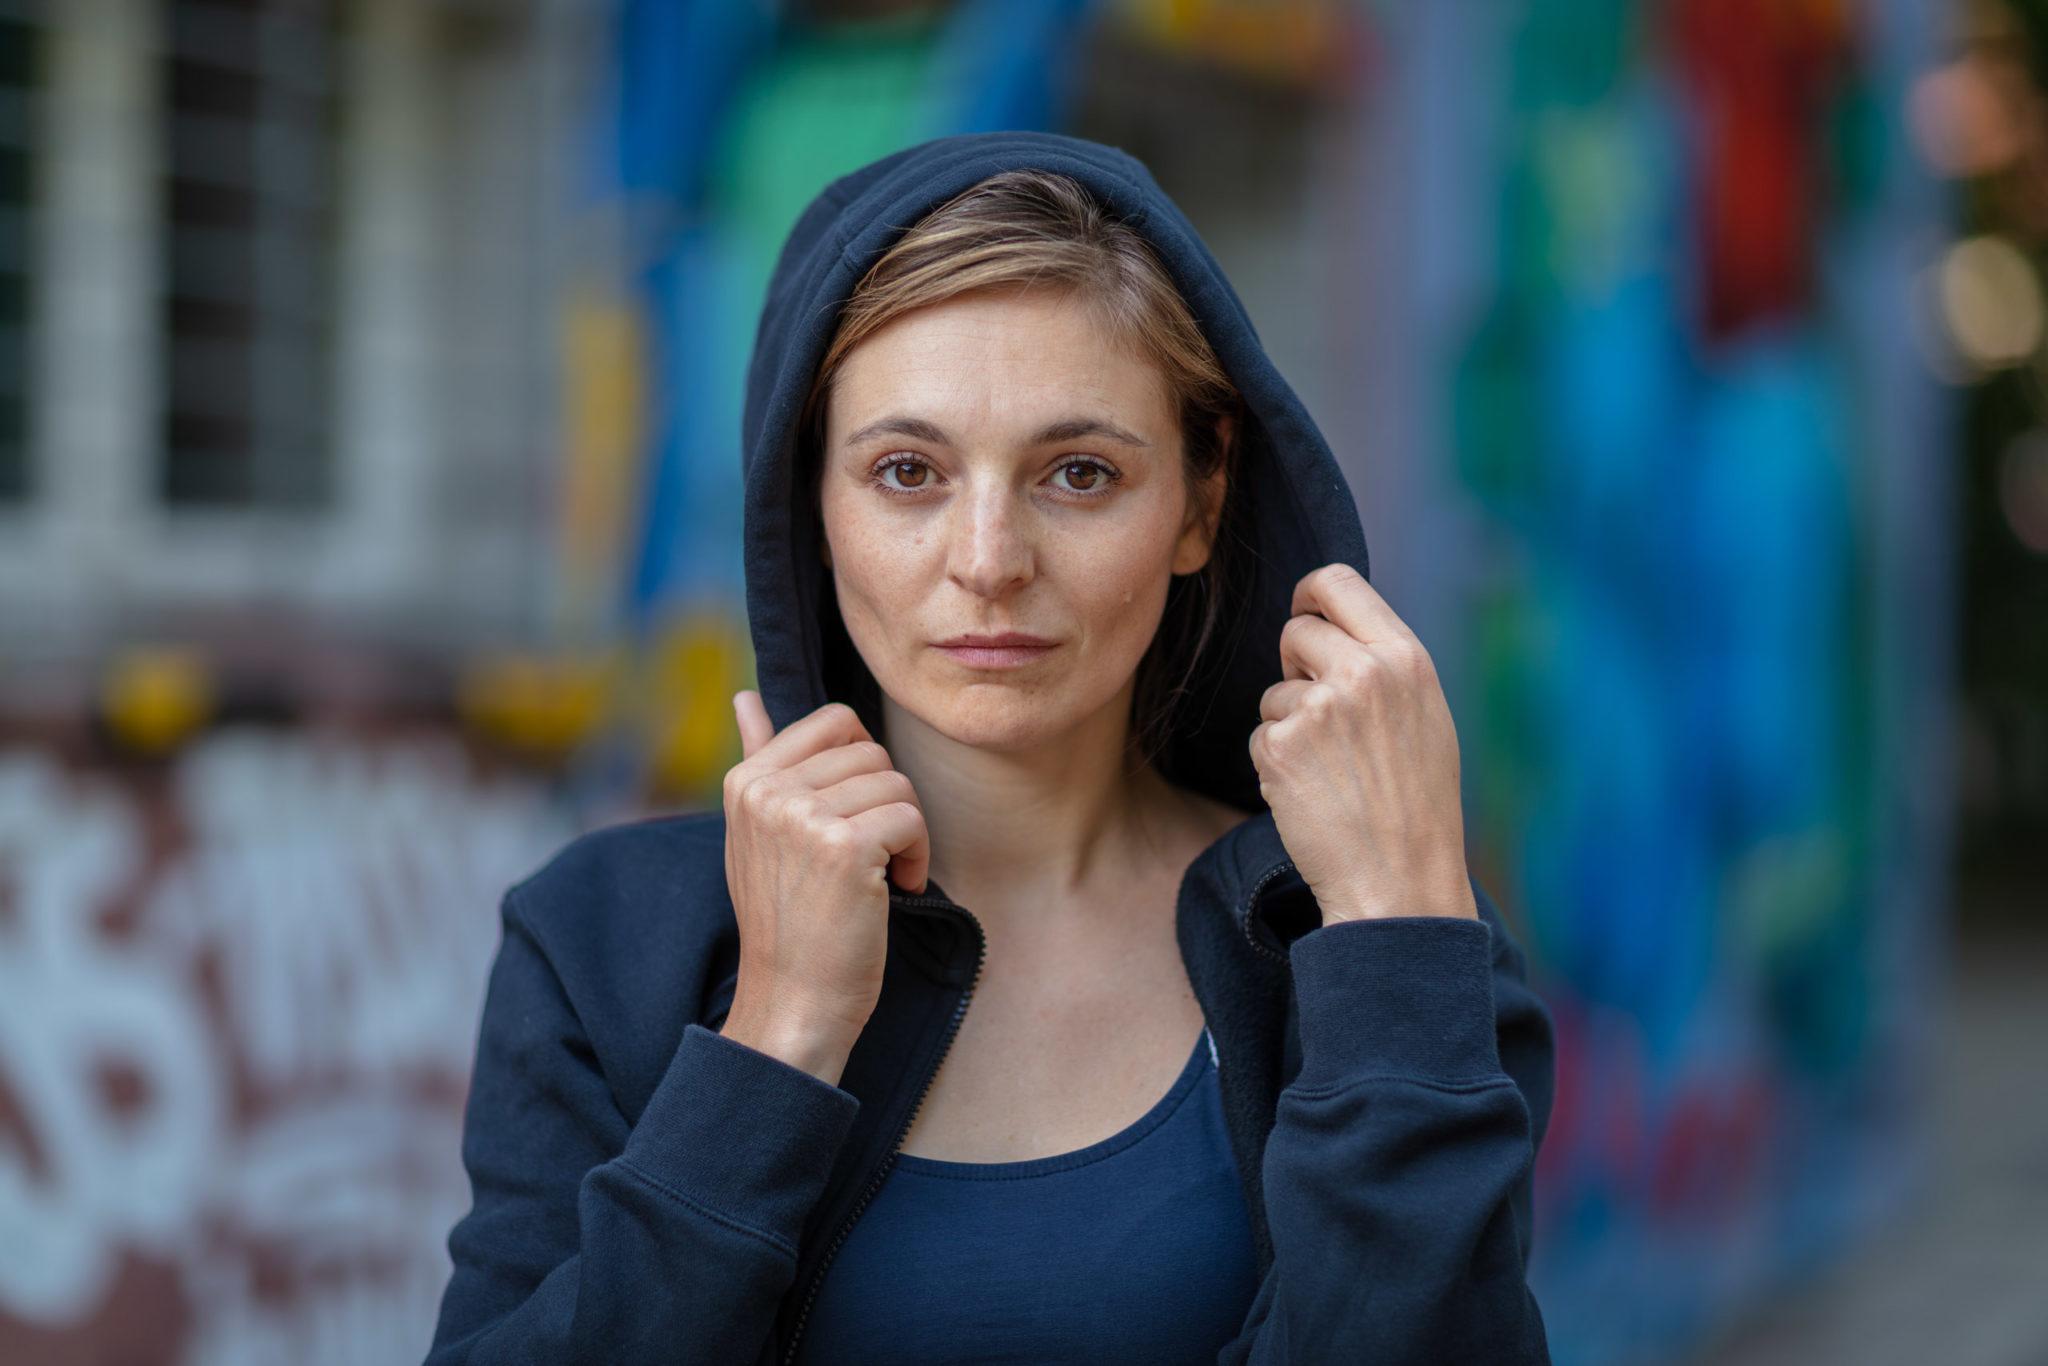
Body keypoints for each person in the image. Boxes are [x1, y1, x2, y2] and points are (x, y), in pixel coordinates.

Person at [426, 130, 1555, 1365]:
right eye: (906, 471)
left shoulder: (1362, 941)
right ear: (811, 499)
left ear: (1200, 498)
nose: (986, 561)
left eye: (1076, 473)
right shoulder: (604, 945)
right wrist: (776, 1032)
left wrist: (1393, 929)